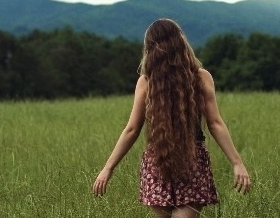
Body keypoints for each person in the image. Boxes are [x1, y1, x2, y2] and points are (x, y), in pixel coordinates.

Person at [92, 18, 251, 218]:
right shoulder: (185, 78)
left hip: (177, 159)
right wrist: (108, 168)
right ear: (180, 42)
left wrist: (108, 168)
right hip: (166, 160)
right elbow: (215, 124)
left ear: (149, 48)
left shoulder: (155, 80)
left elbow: (132, 129)